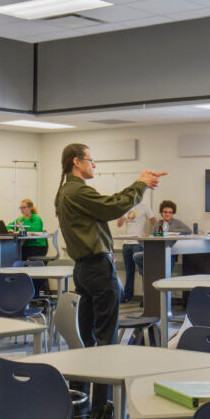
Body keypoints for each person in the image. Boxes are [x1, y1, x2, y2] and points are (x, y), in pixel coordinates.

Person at [55, 142, 164, 358]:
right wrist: (140, 184)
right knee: (106, 340)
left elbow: (111, 202)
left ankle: (83, 389)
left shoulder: (67, 191)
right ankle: (104, 392)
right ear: (76, 162)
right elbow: (113, 207)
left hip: (85, 269)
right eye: (91, 160)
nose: (94, 165)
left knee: (85, 338)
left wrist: (138, 184)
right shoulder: (77, 191)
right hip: (96, 269)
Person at [131, 199, 190, 277]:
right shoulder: (157, 224)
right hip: (156, 251)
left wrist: (168, 231)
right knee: (137, 256)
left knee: (165, 275)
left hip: (170, 252)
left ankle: (154, 276)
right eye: (165, 212)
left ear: (172, 213)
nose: (167, 214)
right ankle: (146, 273)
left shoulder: (177, 223)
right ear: (161, 213)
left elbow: (188, 230)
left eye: (170, 212)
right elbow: (153, 237)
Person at [116, 200, 155, 303]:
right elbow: (119, 224)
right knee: (129, 271)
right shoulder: (126, 206)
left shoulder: (144, 207)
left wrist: (149, 236)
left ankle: (146, 297)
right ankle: (127, 296)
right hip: (126, 243)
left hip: (138, 243)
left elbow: (154, 221)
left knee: (143, 272)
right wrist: (124, 215)